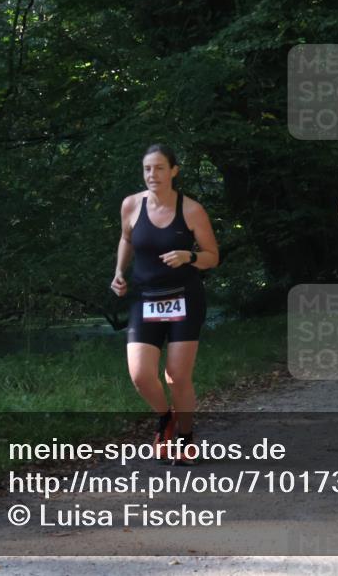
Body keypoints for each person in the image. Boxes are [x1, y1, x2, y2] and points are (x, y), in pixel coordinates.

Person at [111, 144, 219, 464]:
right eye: (147, 169)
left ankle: (185, 437)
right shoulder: (131, 205)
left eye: (159, 168)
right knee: (141, 375)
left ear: (174, 171)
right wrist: (119, 272)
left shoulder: (191, 210)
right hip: (145, 299)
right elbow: (127, 239)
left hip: (184, 297)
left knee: (177, 374)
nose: (152, 174)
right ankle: (166, 418)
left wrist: (190, 256)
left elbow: (212, 257)